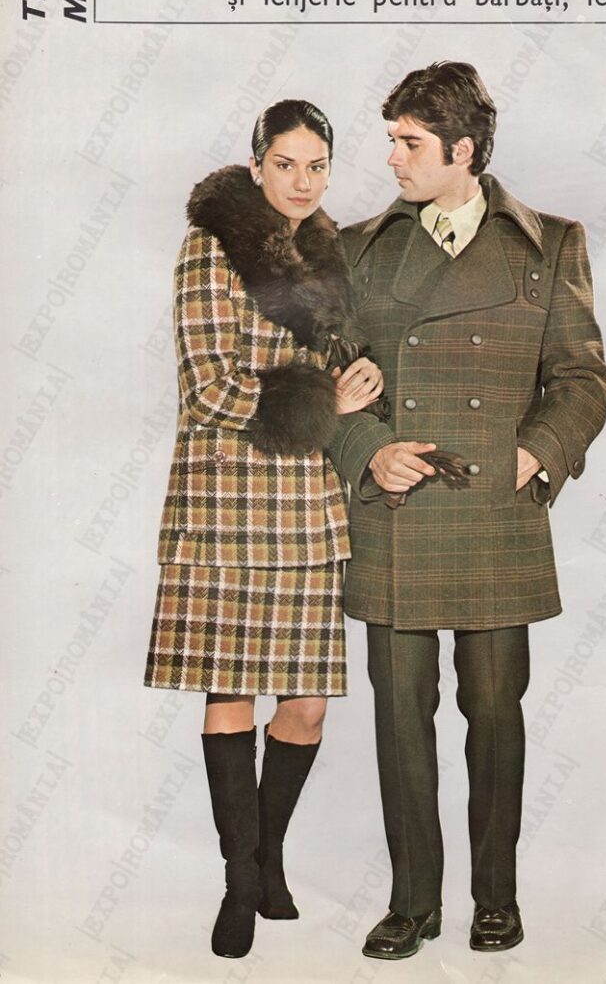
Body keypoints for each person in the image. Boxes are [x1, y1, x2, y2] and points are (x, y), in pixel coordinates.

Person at [330, 62, 606, 959]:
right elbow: (321, 381)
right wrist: (368, 449)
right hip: (397, 514)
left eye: (410, 143)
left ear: (463, 150)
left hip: (495, 511)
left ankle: (497, 896)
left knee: (495, 715)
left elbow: (583, 377)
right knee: (400, 720)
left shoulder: (551, 243)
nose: (392, 158)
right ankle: (412, 902)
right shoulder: (355, 248)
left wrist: (537, 453)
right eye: (392, 140)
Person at [144, 99, 383, 959]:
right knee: (232, 692)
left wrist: (358, 386)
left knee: (308, 703)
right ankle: (240, 883)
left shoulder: (326, 255)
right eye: (286, 164)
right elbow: (208, 388)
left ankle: (264, 853)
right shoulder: (210, 246)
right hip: (226, 500)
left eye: (317, 166)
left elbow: (337, 373)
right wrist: (325, 401)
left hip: (306, 498)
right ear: (256, 167)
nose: (302, 182)